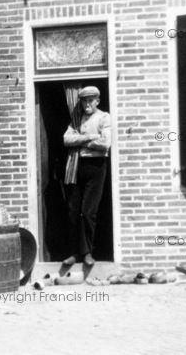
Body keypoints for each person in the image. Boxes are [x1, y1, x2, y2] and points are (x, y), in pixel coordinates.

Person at [62, 86, 111, 266]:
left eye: (91, 100)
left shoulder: (104, 117)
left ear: (97, 101)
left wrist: (81, 140)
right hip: (76, 166)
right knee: (73, 211)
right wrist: (90, 137)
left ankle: (88, 253)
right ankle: (75, 253)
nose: (87, 104)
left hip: (96, 167)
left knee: (88, 212)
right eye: (84, 100)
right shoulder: (76, 119)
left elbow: (105, 143)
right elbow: (66, 139)